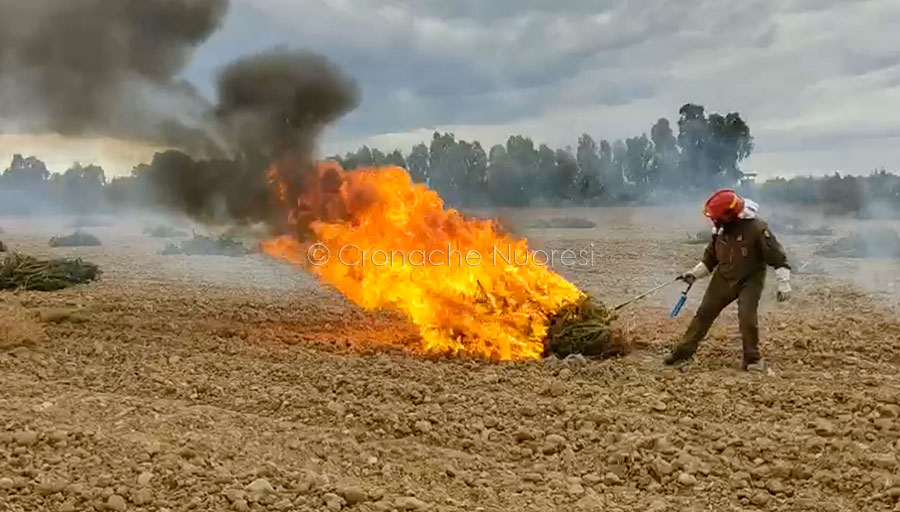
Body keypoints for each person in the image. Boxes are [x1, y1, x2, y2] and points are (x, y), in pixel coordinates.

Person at [665, 189, 791, 371]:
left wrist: (784, 283)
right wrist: (694, 274)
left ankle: (752, 358)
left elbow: (777, 258)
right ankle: (682, 353)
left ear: (730, 214)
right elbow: (710, 259)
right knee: (704, 313)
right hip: (723, 277)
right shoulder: (719, 231)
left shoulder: (757, 229)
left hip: (750, 279)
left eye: (717, 217)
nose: (714, 221)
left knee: (747, 317)